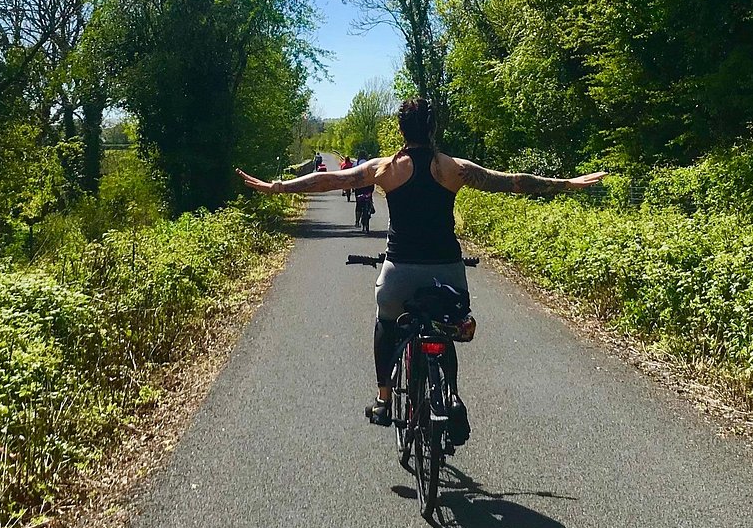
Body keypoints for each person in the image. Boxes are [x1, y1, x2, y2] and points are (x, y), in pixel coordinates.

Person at [236, 98, 606, 428]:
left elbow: (331, 179)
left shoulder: (385, 169)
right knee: (444, 332)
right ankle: (453, 396)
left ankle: (383, 399)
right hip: (448, 272)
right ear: (434, 129)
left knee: (385, 321)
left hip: (400, 272)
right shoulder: (453, 168)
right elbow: (513, 182)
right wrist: (568, 183)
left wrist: (278, 187)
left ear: (401, 129)